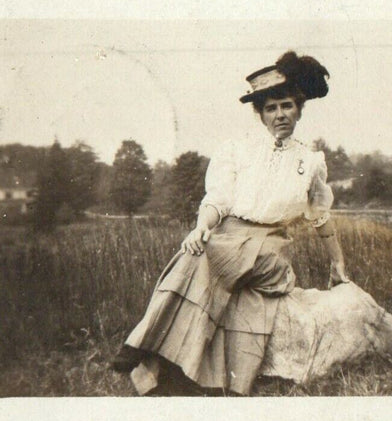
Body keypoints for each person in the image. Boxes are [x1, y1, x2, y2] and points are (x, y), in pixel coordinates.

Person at [111, 51, 350, 396]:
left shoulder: (310, 162)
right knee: (201, 249)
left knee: (213, 256)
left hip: (271, 248)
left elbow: (321, 216)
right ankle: (171, 369)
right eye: (271, 108)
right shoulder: (239, 150)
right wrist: (200, 227)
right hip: (228, 236)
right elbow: (219, 199)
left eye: (286, 106)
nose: (280, 115)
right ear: (260, 114)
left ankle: (144, 343)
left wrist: (338, 263)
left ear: (299, 109)